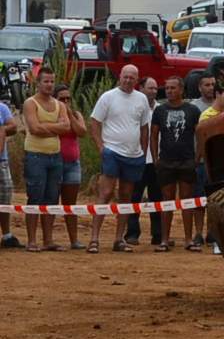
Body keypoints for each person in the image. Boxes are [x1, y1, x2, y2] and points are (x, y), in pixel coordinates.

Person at [87, 64, 150, 253]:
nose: (128, 80)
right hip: (112, 151)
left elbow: (144, 127)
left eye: (132, 77)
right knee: (105, 193)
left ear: (137, 79)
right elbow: (95, 122)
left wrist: (143, 150)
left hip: (133, 155)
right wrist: (101, 147)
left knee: (125, 196)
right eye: (125, 76)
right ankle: (94, 239)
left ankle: (119, 239)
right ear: (120, 77)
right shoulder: (108, 97)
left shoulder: (142, 99)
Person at [22, 66, 70, 252]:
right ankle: (32, 240)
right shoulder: (30, 103)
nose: (49, 85)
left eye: (52, 81)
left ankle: (48, 239)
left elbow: (66, 128)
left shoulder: (60, 105)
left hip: (55, 156)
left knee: (51, 198)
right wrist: (55, 126)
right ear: (38, 82)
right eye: (46, 81)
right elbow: (34, 129)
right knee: (35, 197)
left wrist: (46, 126)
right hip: (35, 155)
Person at [151, 76, 202, 252]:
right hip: (166, 160)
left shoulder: (193, 110)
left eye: (173, 88)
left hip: (187, 160)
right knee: (167, 200)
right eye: (167, 88)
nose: (169, 91)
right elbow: (154, 134)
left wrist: (198, 157)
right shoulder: (160, 111)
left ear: (181, 89)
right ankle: (165, 239)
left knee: (187, 200)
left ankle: (188, 239)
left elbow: (200, 134)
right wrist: (155, 157)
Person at [124, 77, 163, 246]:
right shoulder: (134, 106)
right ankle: (132, 233)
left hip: (156, 161)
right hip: (137, 159)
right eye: (150, 88)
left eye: (155, 88)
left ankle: (158, 234)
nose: (153, 91)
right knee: (134, 198)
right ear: (141, 88)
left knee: (157, 199)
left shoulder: (161, 110)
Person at [54, 84, 87, 250]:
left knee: (70, 204)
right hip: (54, 163)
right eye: (62, 99)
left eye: (68, 98)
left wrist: (69, 115)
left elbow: (81, 131)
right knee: (51, 201)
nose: (66, 101)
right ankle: (49, 239)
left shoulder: (76, 114)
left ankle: (74, 240)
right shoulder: (52, 115)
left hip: (73, 164)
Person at [191, 72, 216, 246]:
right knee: (198, 200)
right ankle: (198, 232)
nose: (210, 88)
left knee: (214, 200)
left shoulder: (222, 105)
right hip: (198, 161)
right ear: (200, 87)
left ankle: (212, 232)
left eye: (213, 84)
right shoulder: (194, 107)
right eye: (206, 85)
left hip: (216, 162)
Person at [0, 101, 21, 249]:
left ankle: (6, 235)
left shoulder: (2, 107)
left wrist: (2, 129)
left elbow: (13, 126)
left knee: (5, 198)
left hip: (2, 160)